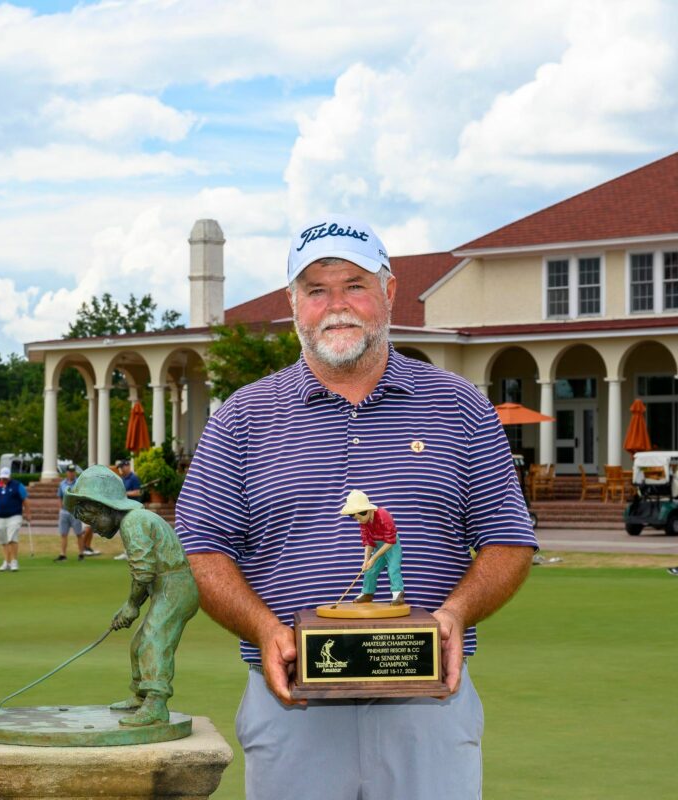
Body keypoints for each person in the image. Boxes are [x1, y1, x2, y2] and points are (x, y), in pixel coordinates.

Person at [175, 214, 537, 800]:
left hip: (429, 708)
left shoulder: (459, 403)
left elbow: (509, 541)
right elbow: (203, 550)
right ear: (293, 302)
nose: (335, 306)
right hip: (291, 705)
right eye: (316, 290)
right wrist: (265, 630)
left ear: (389, 292)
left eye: (354, 286)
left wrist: (455, 615)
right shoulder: (243, 416)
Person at [65, 466, 199, 726]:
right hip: (166, 587)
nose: (96, 529)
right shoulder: (135, 520)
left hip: (175, 588)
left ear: (105, 507)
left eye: (94, 521)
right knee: (139, 642)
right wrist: (130, 605)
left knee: (154, 640)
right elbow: (145, 574)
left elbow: (143, 572)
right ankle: (141, 695)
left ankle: (156, 704)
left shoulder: (133, 522)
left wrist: (130, 606)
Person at [339, 489, 403, 605]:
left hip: (391, 545)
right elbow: (368, 541)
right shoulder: (363, 522)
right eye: (355, 518)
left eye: (359, 517)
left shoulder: (384, 515)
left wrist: (373, 559)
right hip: (378, 545)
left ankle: (397, 594)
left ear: (366, 511)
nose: (358, 521)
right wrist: (366, 560)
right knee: (369, 570)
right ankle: (367, 593)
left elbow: (390, 540)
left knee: (393, 568)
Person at [0, 466, 31, 572]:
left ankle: (14, 561)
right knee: (3, 540)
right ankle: (6, 562)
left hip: (15, 516)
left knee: (12, 538)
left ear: (9, 476)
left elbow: (25, 500)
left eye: (5, 477)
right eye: (2, 477)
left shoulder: (17, 485)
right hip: (0, 517)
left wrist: (28, 513)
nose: (3, 479)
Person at [113, 459, 142, 560]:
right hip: (125, 508)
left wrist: (126, 494)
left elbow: (138, 492)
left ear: (127, 466)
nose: (121, 469)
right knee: (125, 531)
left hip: (133, 509)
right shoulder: (123, 478)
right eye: (120, 467)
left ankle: (133, 552)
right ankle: (127, 552)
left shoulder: (134, 478)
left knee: (133, 531)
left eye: (122, 467)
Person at [55, 465, 83, 561]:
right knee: (63, 534)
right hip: (64, 512)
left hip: (75, 512)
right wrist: (60, 508)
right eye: (70, 471)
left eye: (73, 471)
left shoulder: (79, 483)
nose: (71, 473)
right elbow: (59, 496)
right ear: (67, 472)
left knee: (79, 533)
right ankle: (63, 554)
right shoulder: (62, 484)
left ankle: (81, 553)